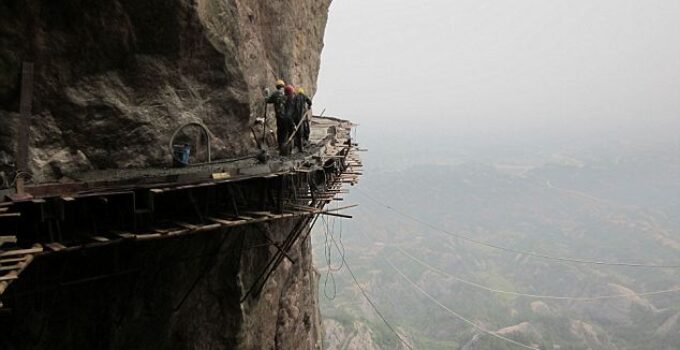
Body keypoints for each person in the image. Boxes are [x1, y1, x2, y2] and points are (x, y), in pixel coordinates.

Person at [265, 80, 293, 155]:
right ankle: (286, 149)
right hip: (287, 117)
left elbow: (267, 100)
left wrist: (267, 93)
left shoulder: (275, 94)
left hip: (279, 117)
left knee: (280, 132)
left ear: (277, 86)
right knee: (286, 132)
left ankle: (281, 148)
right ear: (283, 86)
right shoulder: (286, 93)